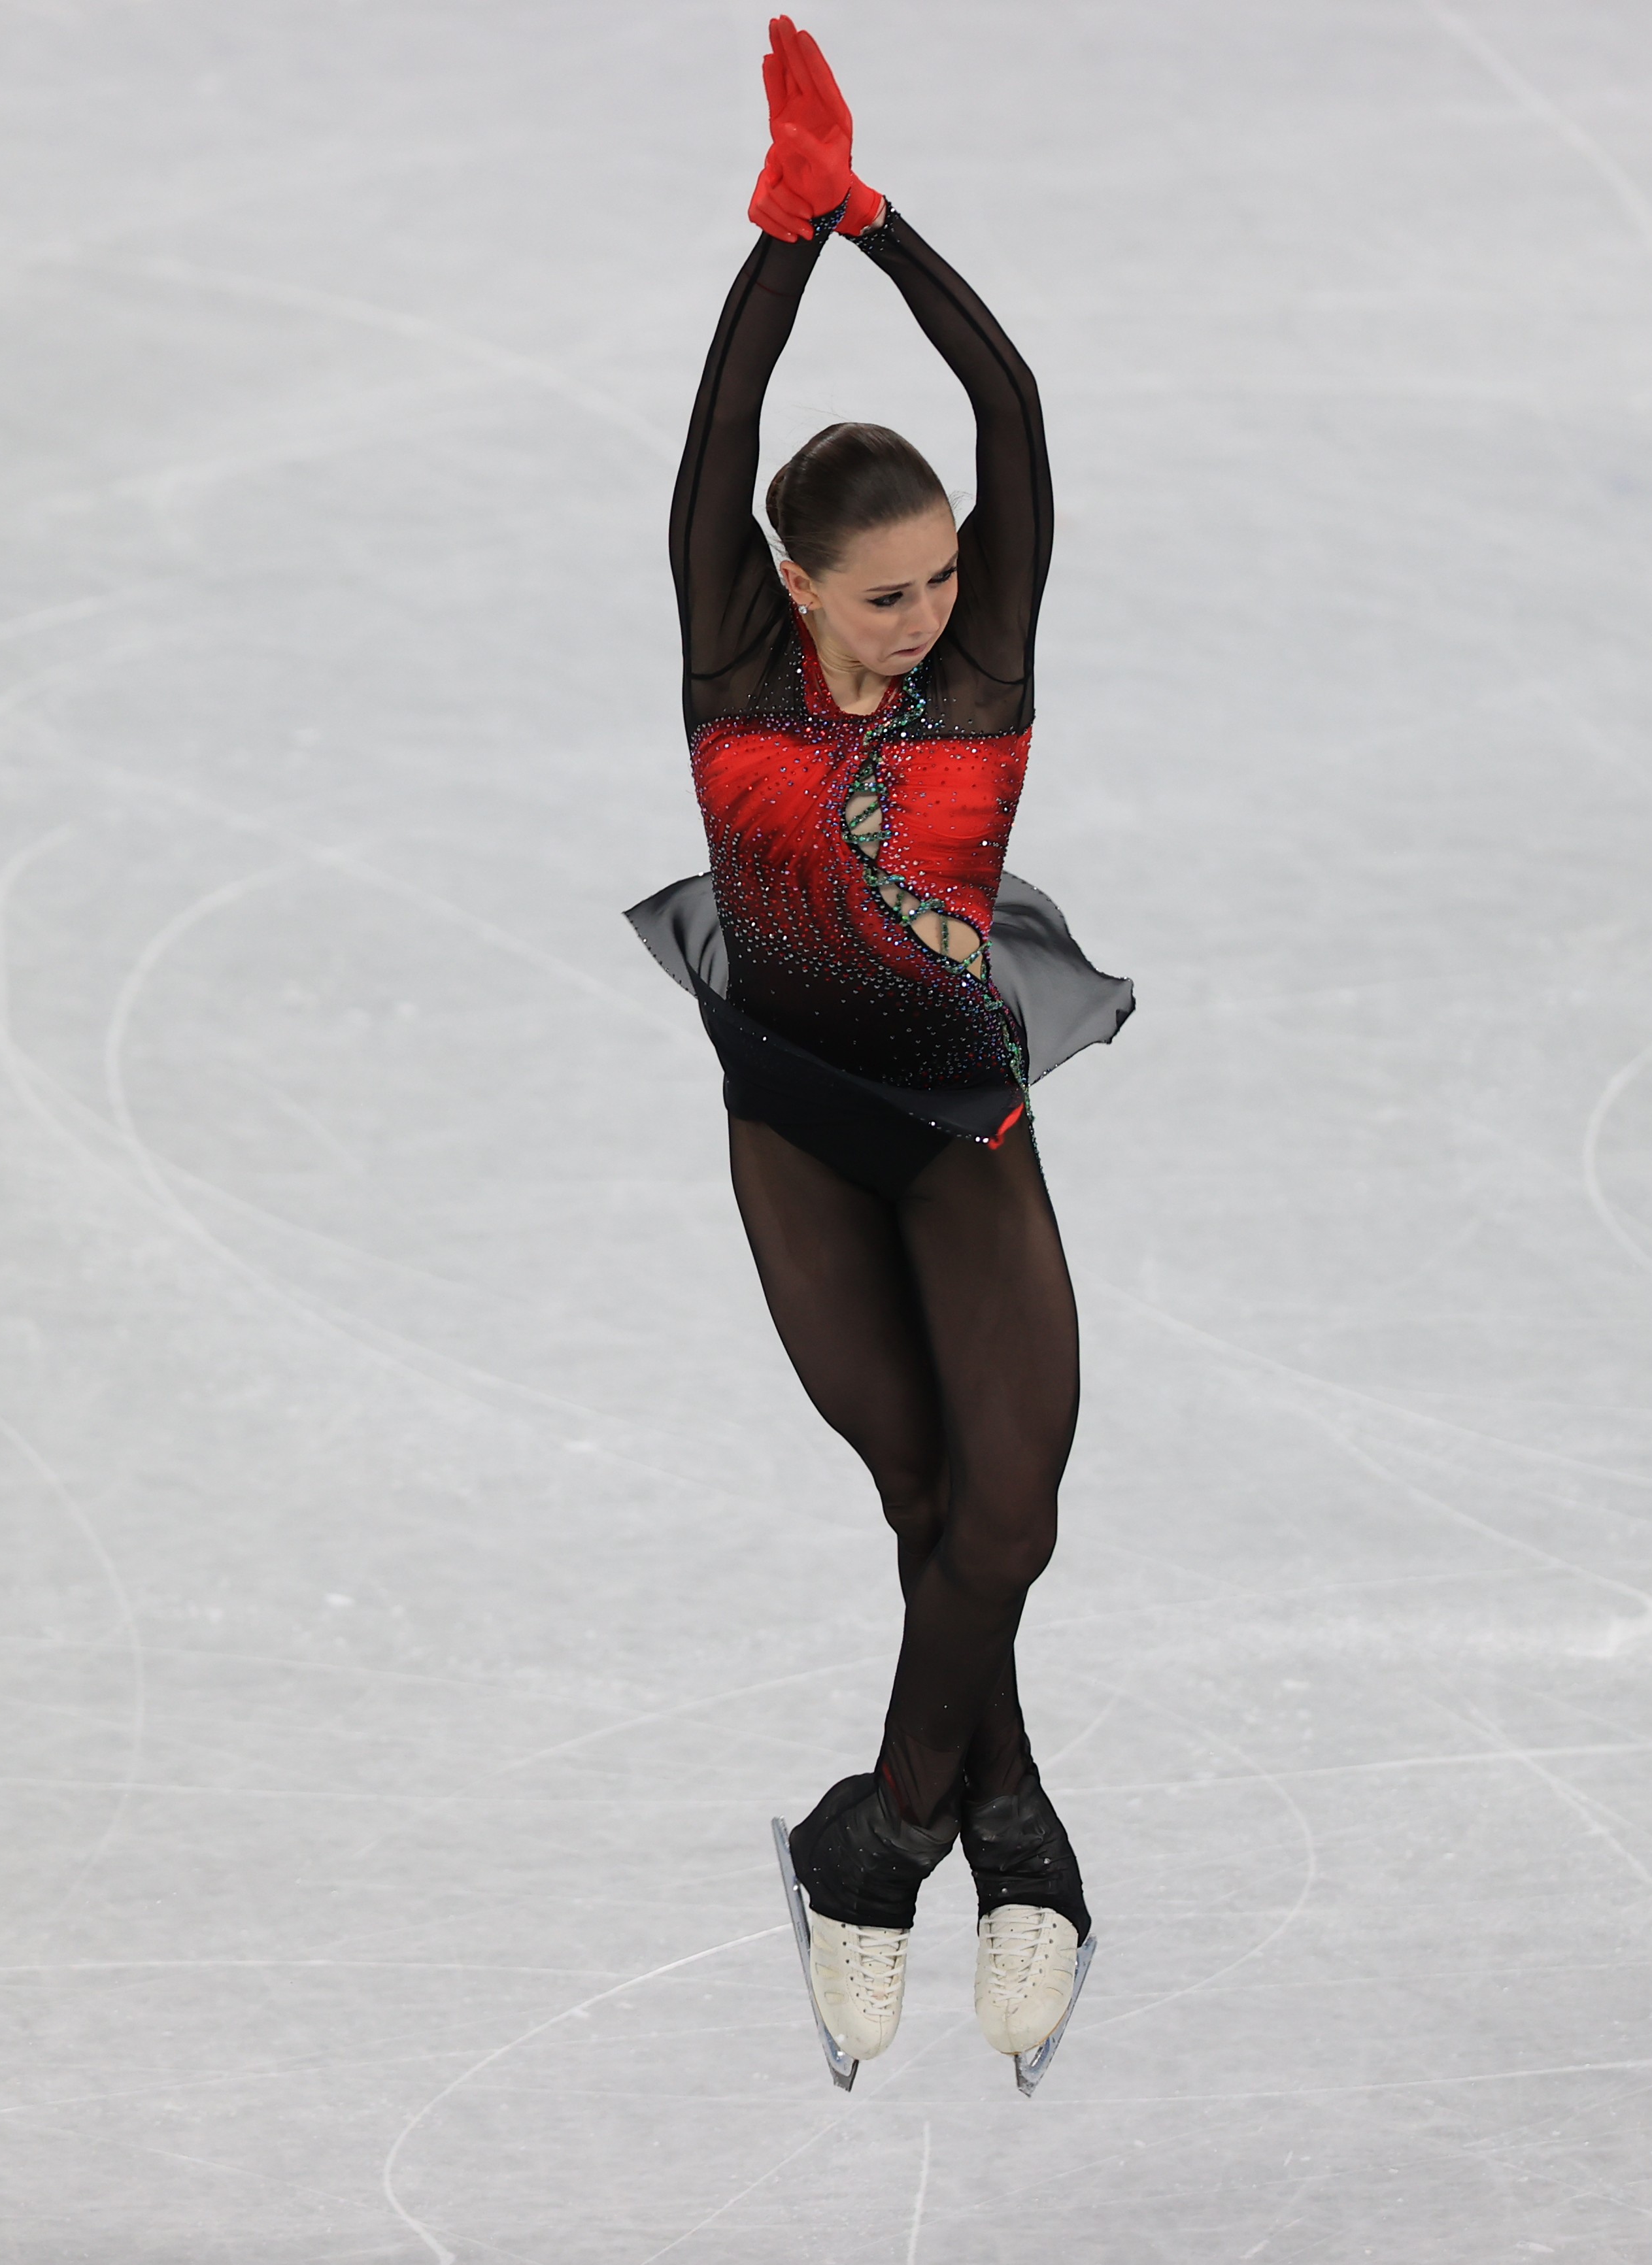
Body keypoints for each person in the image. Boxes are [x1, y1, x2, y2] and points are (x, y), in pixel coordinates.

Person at [626, 18, 1130, 2093]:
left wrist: (872, 221)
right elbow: (718, 423)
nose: (928, 612)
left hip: (961, 1127)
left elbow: (1006, 404)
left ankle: (883, 1843)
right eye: (889, 589)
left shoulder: (991, 655)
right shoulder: (732, 662)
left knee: (1004, 1514)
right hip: (800, 1139)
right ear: (797, 585)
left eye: (940, 578)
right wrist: (774, 242)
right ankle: (1020, 1835)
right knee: (922, 1493)